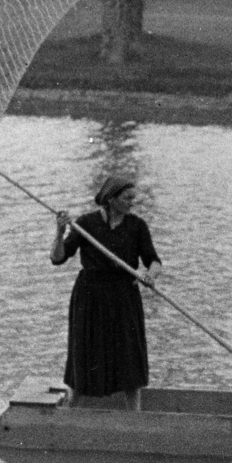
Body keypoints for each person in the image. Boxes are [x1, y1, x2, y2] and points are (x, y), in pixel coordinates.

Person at [51, 175, 163, 408]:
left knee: (130, 359)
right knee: (84, 356)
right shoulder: (86, 224)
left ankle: (135, 418)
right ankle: (70, 413)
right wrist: (59, 232)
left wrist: (149, 276)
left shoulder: (137, 226)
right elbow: (58, 258)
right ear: (111, 199)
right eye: (127, 198)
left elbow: (153, 261)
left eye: (133, 198)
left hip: (124, 297)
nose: (132, 202)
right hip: (90, 297)